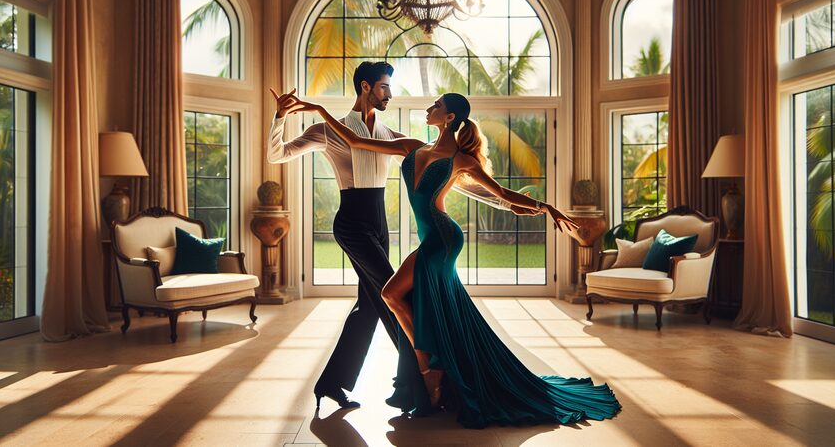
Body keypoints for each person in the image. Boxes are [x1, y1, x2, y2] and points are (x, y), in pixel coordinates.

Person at [277, 91, 621, 429]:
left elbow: (501, 194)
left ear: (450, 118)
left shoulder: (462, 160)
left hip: (443, 239)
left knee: (391, 294)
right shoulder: (411, 146)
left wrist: (545, 208)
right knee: (398, 296)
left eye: (436, 106)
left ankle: (428, 367)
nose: (430, 108)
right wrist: (318, 108)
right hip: (433, 238)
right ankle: (430, 365)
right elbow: (354, 140)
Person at [266, 63, 539, 410]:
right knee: (393, 297)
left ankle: (332, 384)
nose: (390, 95)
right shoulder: (327, 130)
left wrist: (508, 204)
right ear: (365, 87)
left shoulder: (391, 135)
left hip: (378, 222)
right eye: (384, 87)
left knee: (369, 305)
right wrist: (279, 117)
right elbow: (278, 154)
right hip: (351, 221)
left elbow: (448, 178)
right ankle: (427, 378)